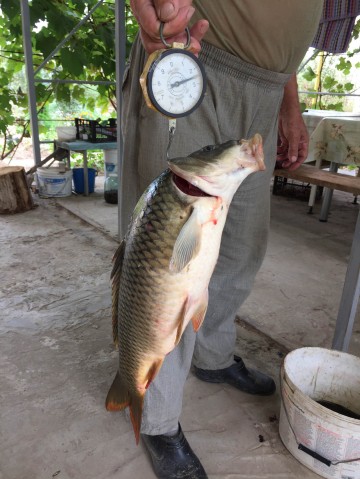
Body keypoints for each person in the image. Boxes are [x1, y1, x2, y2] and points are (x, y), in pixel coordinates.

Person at [118, 1, 324, 477]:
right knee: (162, 270)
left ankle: (211, 355)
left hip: (269, 90)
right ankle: (155, 415)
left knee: (242, 247)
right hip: (196, 59)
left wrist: (288, 101)